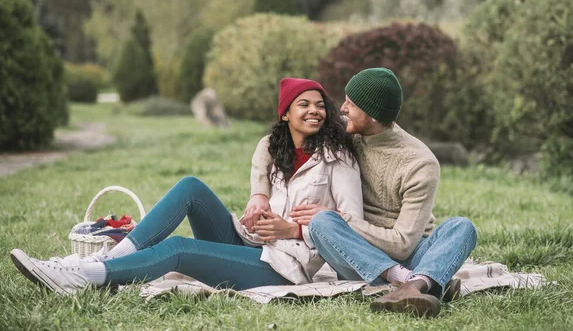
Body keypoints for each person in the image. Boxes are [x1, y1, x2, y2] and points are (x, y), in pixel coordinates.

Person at [10, 78, 363, 295]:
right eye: (304, 105)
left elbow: (352, 227)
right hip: (252, 244)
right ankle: (113, 258)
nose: (314, 111)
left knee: (180, 248)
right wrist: (259, 204)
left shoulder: (339, 160)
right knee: (190, 186)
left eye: (320, 105)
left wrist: (296, 229)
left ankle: (87, 275)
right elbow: (262, 161)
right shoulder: (278, 149)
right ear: (286, 114)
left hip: (284, 269)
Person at [250, 68, 477, 318]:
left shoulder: (420, 163)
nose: (343, 109)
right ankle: (423, 283)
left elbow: (402, 245)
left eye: (351, 104)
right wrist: (259, 194)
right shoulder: (348, 137)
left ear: (371, 116)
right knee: (323, 221)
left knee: (462, 227)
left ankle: (408, 286)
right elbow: (270, 143)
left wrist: (342, 218)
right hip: (354, 253)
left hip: (409, 252)